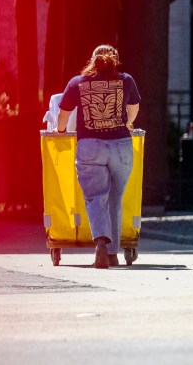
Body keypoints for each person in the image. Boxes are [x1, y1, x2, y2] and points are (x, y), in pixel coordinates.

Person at [55, 45, 141, 268]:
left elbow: (63, 116)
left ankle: (101, 243)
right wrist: (126, 123)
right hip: (121, 146)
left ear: (93, 60)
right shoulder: (126, 80)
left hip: (90, 146)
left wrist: (61, 131)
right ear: (115, 60)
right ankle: (113, 254)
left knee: (96, 197)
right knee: (115, 197)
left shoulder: (77, 82)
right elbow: (133, 111)